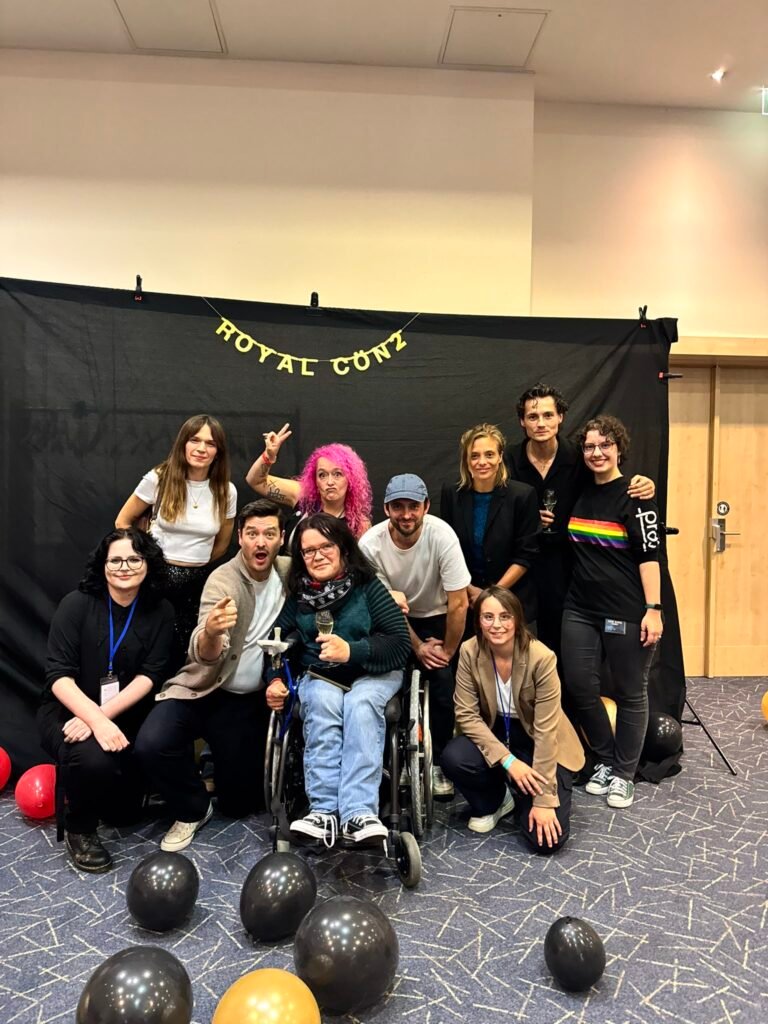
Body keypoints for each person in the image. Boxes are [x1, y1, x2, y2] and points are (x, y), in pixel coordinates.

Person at [134, 500, 289, 851]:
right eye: (252, 534)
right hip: (202, 688)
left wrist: (388, 593)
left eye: (268, 534)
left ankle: (214, 766)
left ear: (281, 538)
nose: (260, 542)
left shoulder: (289, 571)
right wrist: (212, 632)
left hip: (243, 704)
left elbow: (343, 569)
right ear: (240, 537)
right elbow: (201, 651)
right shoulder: (223, 580)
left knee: (240, 804)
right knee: (152, 743)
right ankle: (193, 807)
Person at [264, 514, 410, 846]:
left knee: (359, 703)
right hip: (322, 674)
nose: (317, 556)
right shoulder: (300, 596)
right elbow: (276, 641)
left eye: (326, 546)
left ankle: (359, 812)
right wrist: (275, 679)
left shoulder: (367, 586)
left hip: (373, 672)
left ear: (343, 548)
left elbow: (400, 643)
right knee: (322, 700)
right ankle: (324, 811)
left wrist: (352, 650)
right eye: (308, 550)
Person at [38, 528, 174, 872]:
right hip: (68, 711)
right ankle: (79, 828)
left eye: (134, 559)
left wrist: (101, 718)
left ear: (148, 564)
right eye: (115, 560)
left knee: (124, 815)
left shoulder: (161, 611)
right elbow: (59, 677)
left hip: (123, 712)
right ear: (103, 565)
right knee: (94, 760)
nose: (124, 567)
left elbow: (150, 676)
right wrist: (94, 720)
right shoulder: (76, 605)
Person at [506, 383, 655, 663]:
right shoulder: (508, 460)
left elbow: (609, 482)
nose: (541, 423)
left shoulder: (579, 457)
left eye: (548, 415)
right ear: (522, 422)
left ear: (560, 417)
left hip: (570, 569)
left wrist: (643, 482)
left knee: (564, 654)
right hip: (519, 567)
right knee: (514, 649)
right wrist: (526, 518)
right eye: (533, 417)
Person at [561, 414, 662, 810]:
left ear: (619, 448)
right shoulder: (581, 492)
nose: (597, 452)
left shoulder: (636, 495)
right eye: (589, 446)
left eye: (605, 445)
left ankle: (624, 774)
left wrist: (653, 610)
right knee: (580, 687)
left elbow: (650, 556)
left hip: (626, 610)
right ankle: (604, 759)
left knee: (630, 691)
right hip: (580, 608)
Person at [440, 587, 584, 851]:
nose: (496, 625)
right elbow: (466, 714)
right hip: (495, 731)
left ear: (517, 620)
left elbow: (546, 732)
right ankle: (496, 801)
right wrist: (509, 762)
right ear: (478, 622)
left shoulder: (542, 658)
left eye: (505, 616)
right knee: (454, 757)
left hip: (536, 739)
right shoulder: (470, 651)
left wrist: (543, 802)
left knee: (546, 842)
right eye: (488, 617)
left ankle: (528, 796)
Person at [359, 474, 470, 798]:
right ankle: (395, 762)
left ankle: (439, 764)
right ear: (386, 509)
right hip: (393, 617)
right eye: (398, 507)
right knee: (388, 684)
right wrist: (417, 646)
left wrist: (447, 652)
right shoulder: (370, 544)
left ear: (426, 507)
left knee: (443, 683)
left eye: (413, 506)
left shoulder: (442, 535)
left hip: (438, 615)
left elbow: (459, 603)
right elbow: (383, 605)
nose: (406, 514)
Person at [116, 414, 237, 664]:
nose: (201, 449)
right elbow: (122, 522)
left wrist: (194, 564)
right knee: (146, 651)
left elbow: (222, 545)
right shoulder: (158, 479)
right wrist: (147, 558)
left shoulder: (226, 491)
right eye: (195, 440)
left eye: (210, 443)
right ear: (183, 443)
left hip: (198, 586)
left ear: (218, 452)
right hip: (155, 580)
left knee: (187, 656)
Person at [440, 422, 540, 627]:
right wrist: (470, 590)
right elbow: (446, 551)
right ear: (466, 460)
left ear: (500, 456)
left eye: (489, 454)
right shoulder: (452, 494)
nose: (482, 462)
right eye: (474, 456)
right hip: (466, 600)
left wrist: (490, 595)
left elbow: (526, 555)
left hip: (511, 599)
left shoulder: (522, 495)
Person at [245, 423, 372, 541]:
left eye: (337, 474)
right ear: (314, 479)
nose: (330, 482)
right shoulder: (303, 496)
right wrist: (268, 456)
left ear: (350, 479)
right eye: (322, 475)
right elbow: (255, 481)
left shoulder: (360, 525)